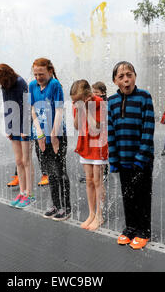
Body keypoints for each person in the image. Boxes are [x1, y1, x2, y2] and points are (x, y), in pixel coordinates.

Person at [108, 61, 155, 250]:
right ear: (115, 81)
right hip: (123, 159)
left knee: (143, 195)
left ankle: (144, 231)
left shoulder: (144, 97)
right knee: (127, 195)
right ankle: (130, 227)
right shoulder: (111, 102)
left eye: (129, 74)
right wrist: (114, 160)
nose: (126, 79)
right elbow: (110, 131)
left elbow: (148, 128)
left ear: (135, 76)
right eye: (121, 77)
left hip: (142, 161)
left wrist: (141, 158)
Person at [30, 57, 71, 221]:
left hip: (57, 134)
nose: (38, 77)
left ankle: (66, 207)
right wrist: (39, 133)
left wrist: (54, 135)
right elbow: (32, 109)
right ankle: (55, 204)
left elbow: (59, 111)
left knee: (60, 171)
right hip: (41, 136)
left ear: (50, 71)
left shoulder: (55, 85)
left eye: (41, 74)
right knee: (49, 172)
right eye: (35, 74)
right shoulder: (32, 85)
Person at [0, 63, 35, 209]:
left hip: (25, 127)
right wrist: (8, 128)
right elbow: (7, 106)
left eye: (2, 80)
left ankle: (30, 194)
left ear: (8, 74)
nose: (1, 84)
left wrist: (25, 129)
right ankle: (22, 192)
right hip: (14, 127)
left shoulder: (20, 82)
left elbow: (26, 107)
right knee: (18, 161)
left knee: (26, 161)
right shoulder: (5, 86)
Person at [70, 79, 108, 231]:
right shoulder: (78, 105)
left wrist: (85, 109)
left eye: (77, 101)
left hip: (98, 145)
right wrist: (79, 110)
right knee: (89, 180)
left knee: (98, 181)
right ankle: (91, 213)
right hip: (85, 144)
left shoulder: (100, 103)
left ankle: (100, 215)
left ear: (87, 96)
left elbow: (96, 127)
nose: (75, 104)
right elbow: (77, 126)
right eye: (73, 102)